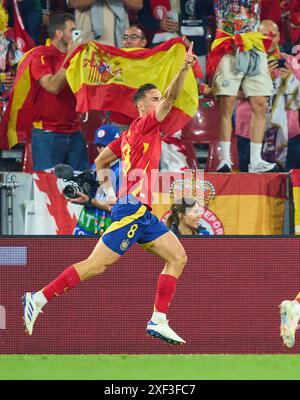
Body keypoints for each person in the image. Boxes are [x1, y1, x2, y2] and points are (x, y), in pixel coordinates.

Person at [22, 42, 198, 345]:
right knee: (95, 266)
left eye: (159, 97)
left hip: (140, 211)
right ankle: (37, 299)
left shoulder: (129, 134)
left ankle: (158, 318)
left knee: (178, 257)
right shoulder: (144, 125)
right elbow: (171, 96)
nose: (161, 102)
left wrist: (111, 190)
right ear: (142, 106)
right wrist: (183, 67)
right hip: (133, 210)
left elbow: (102, 159)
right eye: (154, 98)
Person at [211, 0, 278, 173]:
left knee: (260, 103)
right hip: (228, 43)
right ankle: (225, 160)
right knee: (226, 103)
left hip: (253, 43)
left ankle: (255, 161)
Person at [236, 20, 300, 171]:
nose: (270, 40)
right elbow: (234, 94)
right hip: (250, 132)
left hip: (287, 134)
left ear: (279, 38)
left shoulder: (292, 62)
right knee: (249, 185)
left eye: (274, 35)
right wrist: (262, 79)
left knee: (288, 185)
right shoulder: (245, 61)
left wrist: (290, 79)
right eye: (264, 35)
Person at [30, 13, 89, 171]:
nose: (76, 35)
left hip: (75, 130)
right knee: (48, 188)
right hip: (48, 133)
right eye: (73, 31)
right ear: (59, 33)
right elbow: (52, 86)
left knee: (81, 185)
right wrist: (70, 57)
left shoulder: (79, 57)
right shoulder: (40, 55)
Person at [71, 124, 121, 237]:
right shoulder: (95, 165)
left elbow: (117, 208)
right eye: (98, 145)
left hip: (109, 229)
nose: (101, 150)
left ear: (118, 146)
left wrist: (90, 201)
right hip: (88, 225)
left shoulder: (124, 170)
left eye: (106, 146)